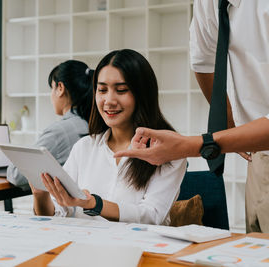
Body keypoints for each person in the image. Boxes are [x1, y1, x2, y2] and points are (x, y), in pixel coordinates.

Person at [114, 0, 269, 232]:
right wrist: (233, 128)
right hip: (261, 155)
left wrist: (203, 143)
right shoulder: (209, 3)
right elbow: (203, 61)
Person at [32, 49, 187, 225]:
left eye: (121, 90)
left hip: (140, 249)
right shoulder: (84, 147)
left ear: (142, 94)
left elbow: (152, 216)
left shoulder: (169, 150)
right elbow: (57, 212)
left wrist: (94, 204)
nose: (109, 100)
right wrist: (40, 195)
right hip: (85, 245)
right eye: (102, 90)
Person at [7, 60, 93, 190]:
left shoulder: (59, 133)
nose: (51, 96)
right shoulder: (92, 124)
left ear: (60, 88)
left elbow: (17, 176)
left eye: (52, 88)